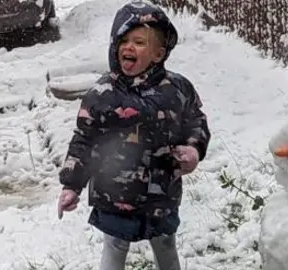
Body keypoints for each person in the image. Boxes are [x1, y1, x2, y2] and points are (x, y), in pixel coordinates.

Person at [57, 1, 210, 269]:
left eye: (139, 42)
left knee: (165, 242)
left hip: (162, 191)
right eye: (123, 40)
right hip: (114, 193)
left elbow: (196, 121)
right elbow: (84, 140)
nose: (128, 47)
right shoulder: (102, 94)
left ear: (159, 53)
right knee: (115, 245)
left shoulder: (177, 89)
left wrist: (194, 149)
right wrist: (71, 184)